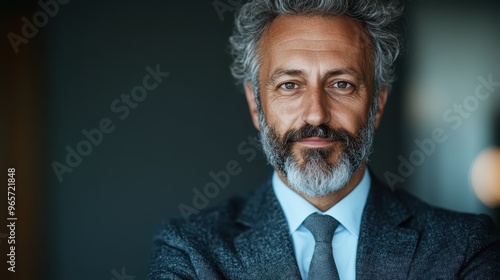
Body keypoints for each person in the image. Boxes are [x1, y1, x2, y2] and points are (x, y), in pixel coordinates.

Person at [149, 0, 500, 279]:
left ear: (377, 105)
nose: (316, 114)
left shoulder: (464, 248)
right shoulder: (191, 251)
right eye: (290, 85)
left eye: (341, 84)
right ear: (256, 106)